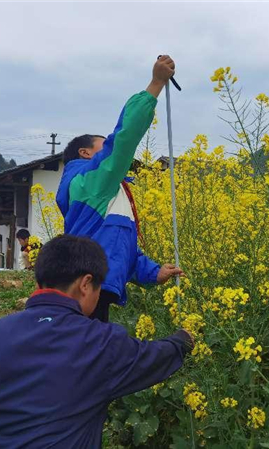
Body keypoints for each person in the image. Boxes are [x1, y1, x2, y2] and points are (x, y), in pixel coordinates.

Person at [0, 234, 193, 448]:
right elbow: (154, 357)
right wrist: (182, 340)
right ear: (86, 284)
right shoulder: (100, 342)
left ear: (38, 283)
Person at [56, 55, 183, 322]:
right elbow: (123, 140)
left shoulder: (106, 192)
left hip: (93, 285)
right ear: (85, 153)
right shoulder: (88, 181)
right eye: (102, 145)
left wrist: (151, 271)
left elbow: (116, 243)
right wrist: (156, 84)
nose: (109, 151)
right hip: (86, 285)